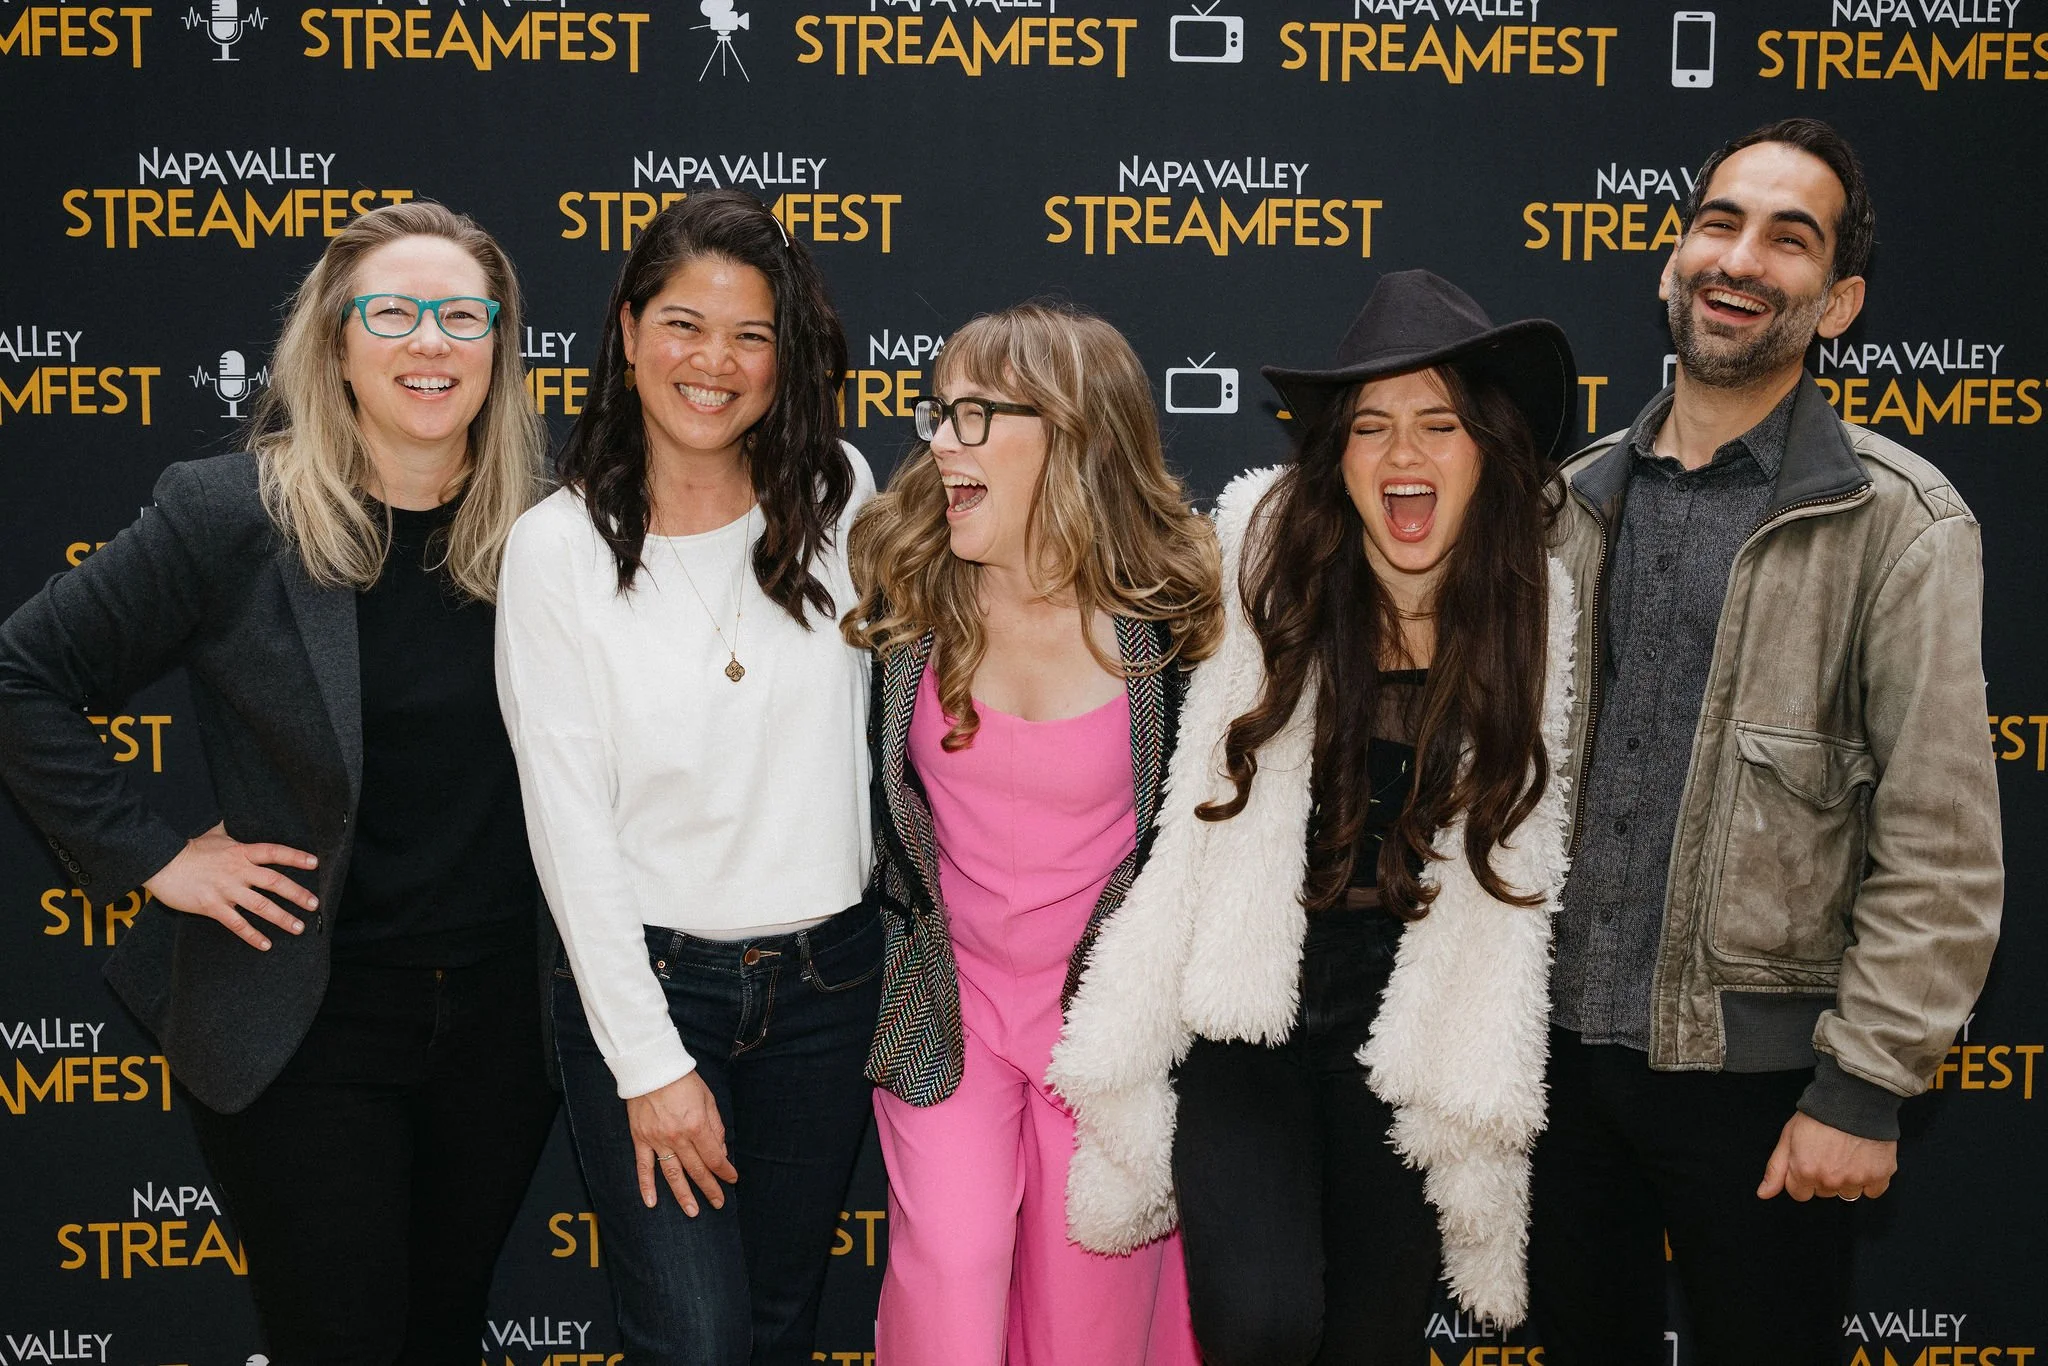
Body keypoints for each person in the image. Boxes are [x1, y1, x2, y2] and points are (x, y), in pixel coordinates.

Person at [0, 201, 554, 1362]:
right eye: (392, 312)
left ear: (500, 346)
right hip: (306, 1020)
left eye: (463, 314)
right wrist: (150, 855)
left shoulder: (553, 536)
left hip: (506, 1025)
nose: (430, 341)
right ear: (336, 340)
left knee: (440, 1334)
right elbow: (23, 677)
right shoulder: (230, 517)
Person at [1529, 117, 2004, 1365]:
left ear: (1835, 300)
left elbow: (1939, 842)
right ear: (1669, 259)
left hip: (1764, 1088)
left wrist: (1860, 1088)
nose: (1739, 258)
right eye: (1717, 221)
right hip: (1550, 1067)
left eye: (1787, 239)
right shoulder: (1565, 502)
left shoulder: (1896, 522)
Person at [1049, 269, 1581, 1364]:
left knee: (1369, 1341)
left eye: (1438, 423)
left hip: (1405, 1023)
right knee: (1259, 1320)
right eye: (1371, 425)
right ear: (1335, 456)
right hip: (1252, 1003)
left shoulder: (1536, 607)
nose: (1403, 454)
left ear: (1486, 447)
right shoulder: (1267, 559)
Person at [495, 190, 878, 1366]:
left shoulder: (839, 497)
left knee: (774, 1326)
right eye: (682, 323)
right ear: (624, 330)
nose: (713, 362)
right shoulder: (555, 550)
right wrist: (652, 1065)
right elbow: (568, 834)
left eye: (749, 335)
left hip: (829, 985)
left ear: (783, 359)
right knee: (696, 1342)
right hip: (654, 993)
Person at [842, 301, 1222, 1366]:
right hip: (948, 1007)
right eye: (938, 413)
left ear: (1071, 430)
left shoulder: (1177, 625)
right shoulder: (907, 599)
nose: (937, 442)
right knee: (949, 1287)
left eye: (974, 416)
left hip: (1103, 1030)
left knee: (1086, 1328)